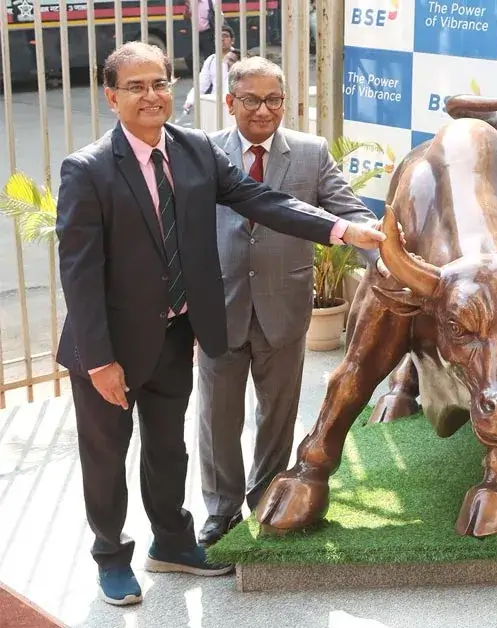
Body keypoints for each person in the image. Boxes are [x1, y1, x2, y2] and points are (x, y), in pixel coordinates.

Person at [55, 42, 384, 607]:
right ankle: (111, 555)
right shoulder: (87, 170)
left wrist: (341, 230)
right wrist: (100, 359)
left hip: (176, 334)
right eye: (135, 87)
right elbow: (79, 275)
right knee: (107, 455)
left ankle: (172, 542)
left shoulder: (192, 150)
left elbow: (258, 197)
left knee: (169, 449)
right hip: (109, 346)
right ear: (112, 97)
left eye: (159, 83)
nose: (151, 95)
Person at [194, 56, 380, 548]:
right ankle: (220, 509)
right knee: (218, 418)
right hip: (219, 307)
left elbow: (348, 211)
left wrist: (383, 255)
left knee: (278, 413)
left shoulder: (311, 152)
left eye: (273, 99)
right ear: (230, 102)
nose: (263, 110)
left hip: (284, 306)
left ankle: (266, 493)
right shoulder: (203, 153)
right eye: (251, 99)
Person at [181, 24, 239, 117]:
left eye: (225, 36)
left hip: (235, 105)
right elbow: (201, 84)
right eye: (218, 37)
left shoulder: (239, 57)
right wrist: (190, 100)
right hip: (215, 103)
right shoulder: (211, 60)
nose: (222, 39)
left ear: (232, 40)